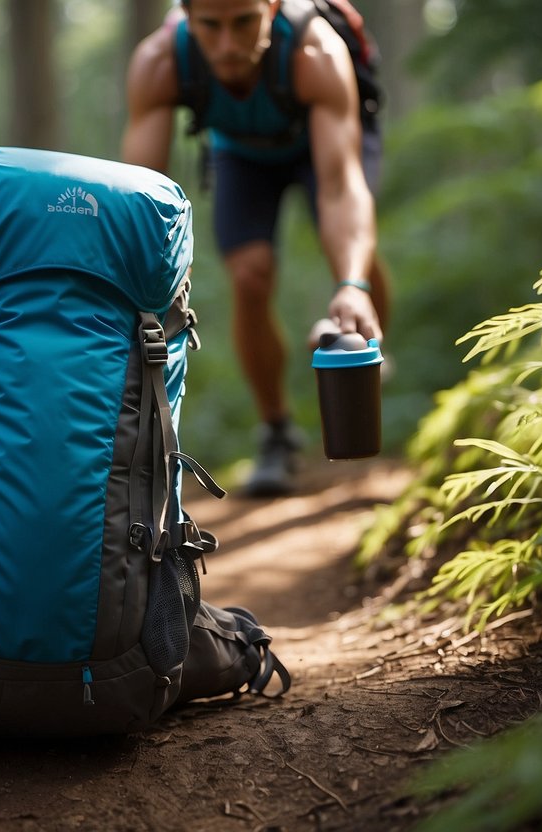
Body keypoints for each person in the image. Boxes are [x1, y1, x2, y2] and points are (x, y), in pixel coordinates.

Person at [122, 0, 390, 497]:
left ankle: (366, 345)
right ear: (185, 15)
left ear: (271, 6)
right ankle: (277, 431)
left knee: (358, 259)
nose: (227, 45)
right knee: (249, 274)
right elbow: (141, 197)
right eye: (210, 26)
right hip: (241, 153)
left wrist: (350, 283)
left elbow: (338, 188)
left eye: (244, 22)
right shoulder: (159, 62)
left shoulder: (316, 52)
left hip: (326, 145)